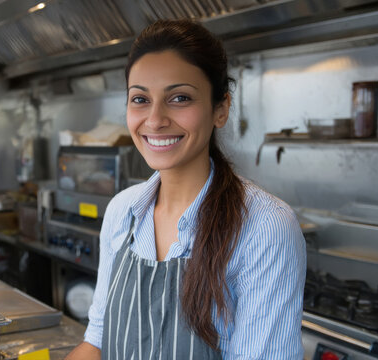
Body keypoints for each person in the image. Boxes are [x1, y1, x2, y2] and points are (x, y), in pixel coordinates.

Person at [66, 19, 305, 360]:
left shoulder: (265, 226)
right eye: (140, 99)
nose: (154, 119)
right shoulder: (123, 211)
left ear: (220, 109)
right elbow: (97, 343)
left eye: (179, 98)